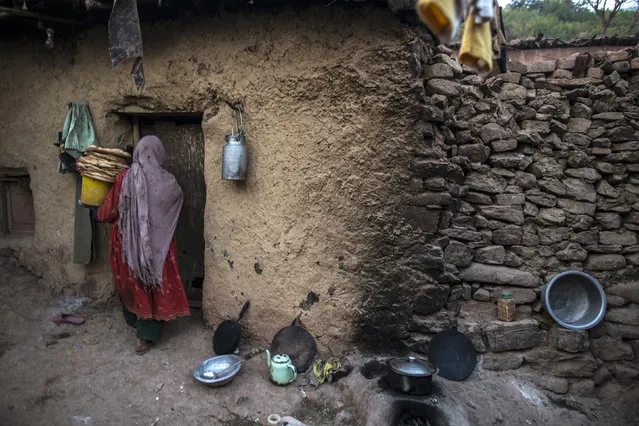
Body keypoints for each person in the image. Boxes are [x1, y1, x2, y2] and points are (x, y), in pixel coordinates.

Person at [97, 135, 190, 355]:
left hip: (127, 246)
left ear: (138, 152)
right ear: (159, 154)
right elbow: (179, 206)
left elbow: (109, 211)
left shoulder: (125, 179)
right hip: (160, 248)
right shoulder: (170, 184)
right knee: (154, 285)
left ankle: (135, 322)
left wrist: (96, 211)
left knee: (133, 284)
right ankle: (146, 335)